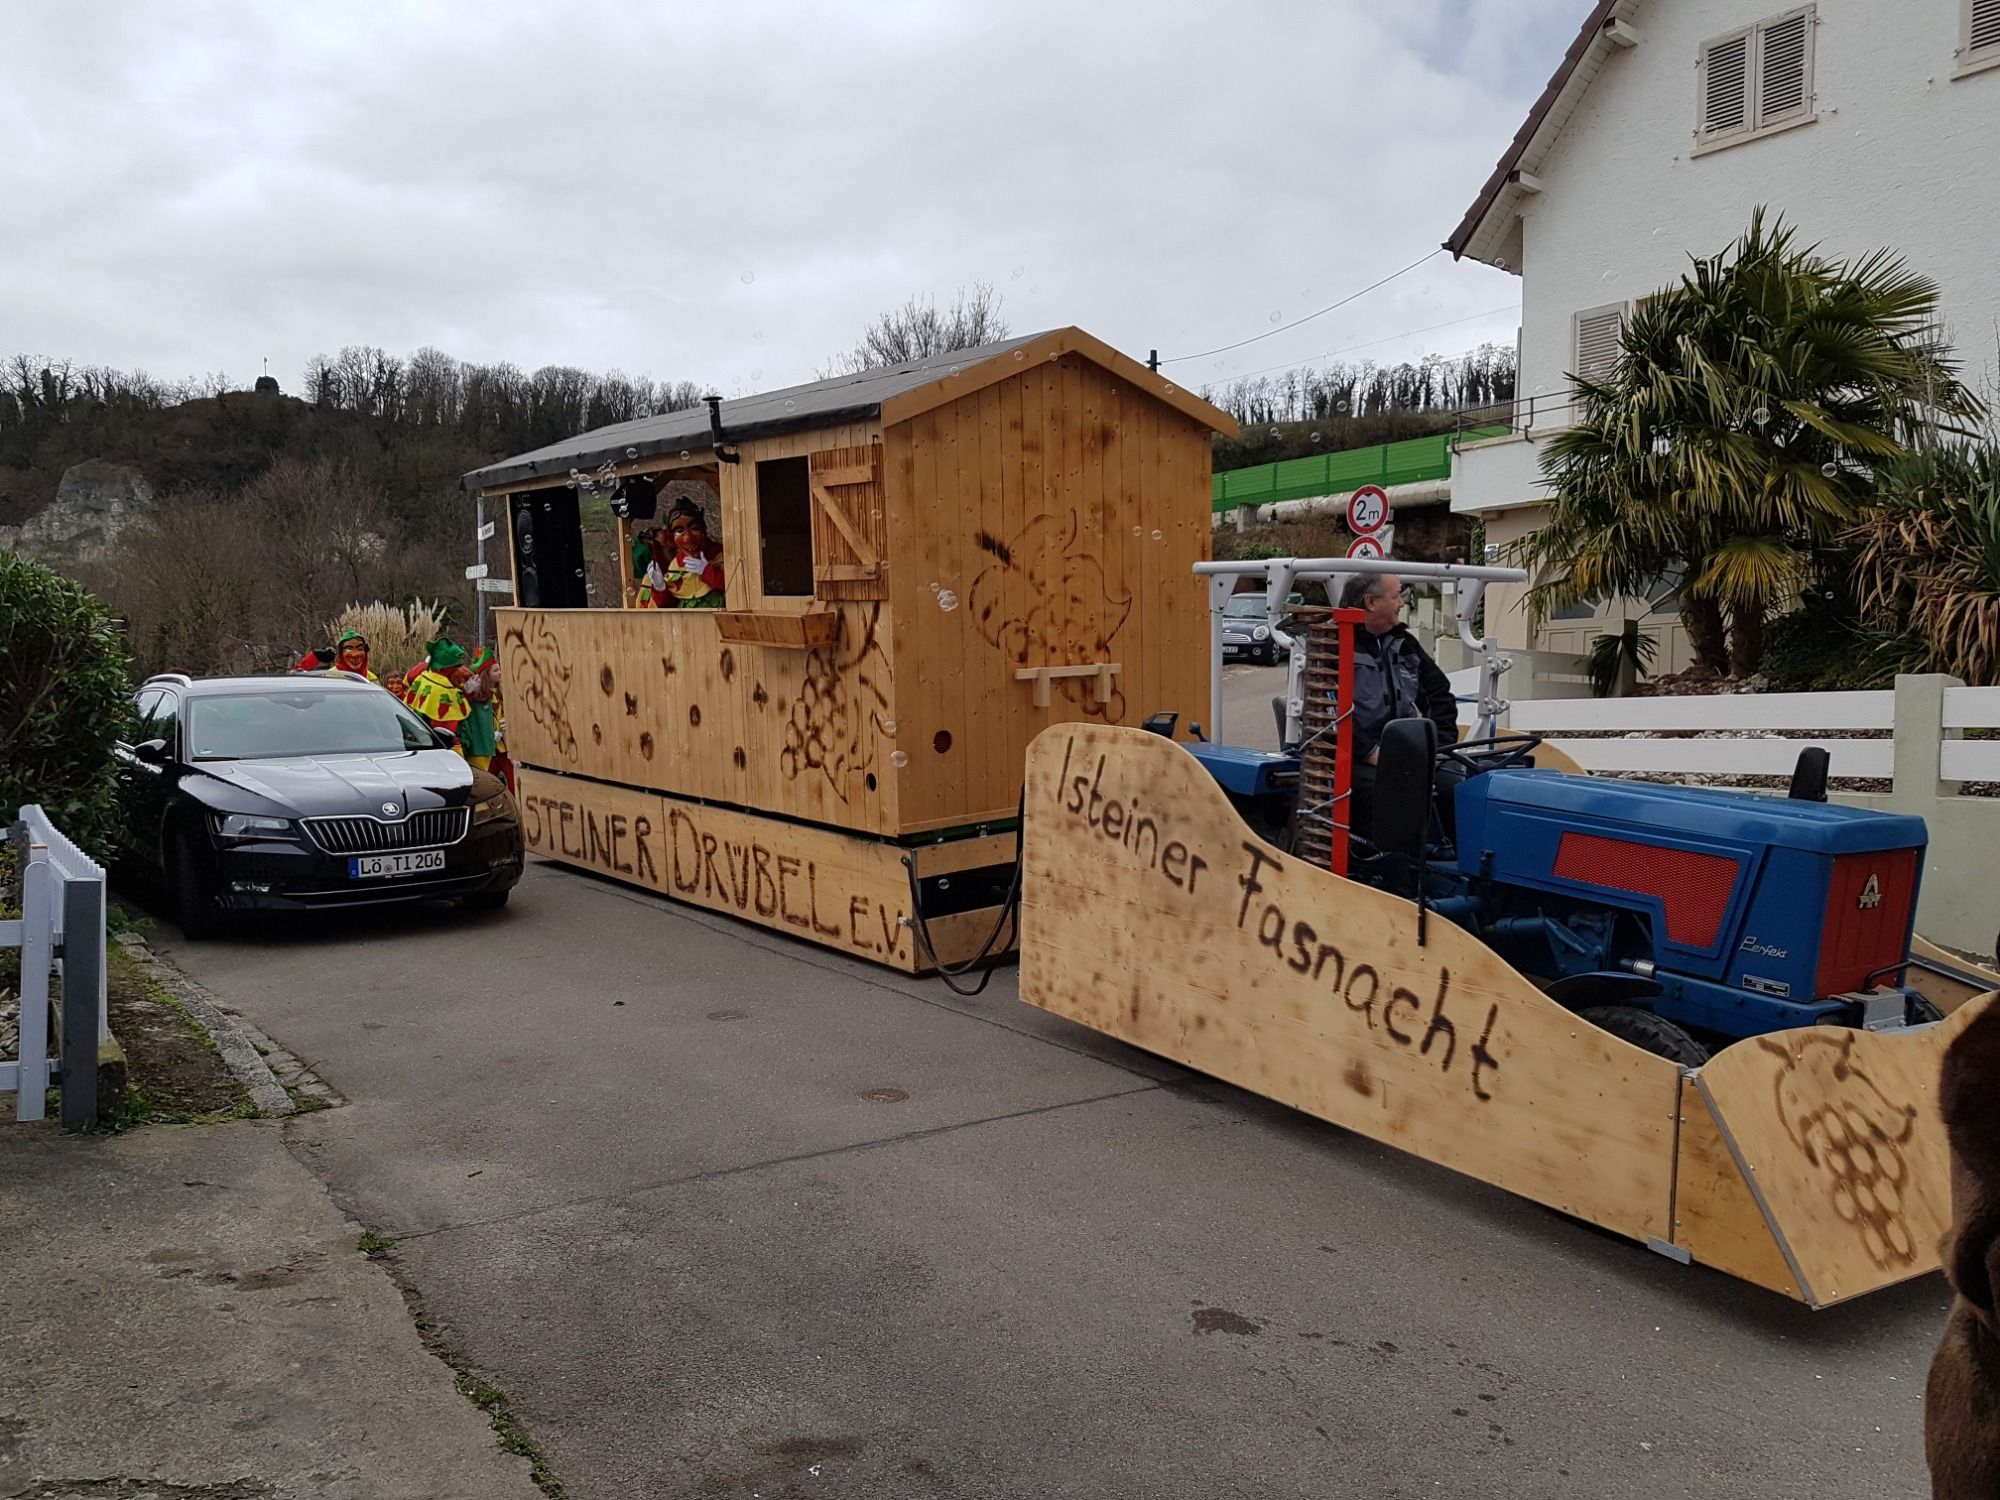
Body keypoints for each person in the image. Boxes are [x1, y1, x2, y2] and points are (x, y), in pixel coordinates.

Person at [1336, 572, 1462, 845]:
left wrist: (1439, 748)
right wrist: (1371, 752)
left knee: (1456, 786)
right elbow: (1328, 710)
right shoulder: (1334, 645)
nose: (1402, 604)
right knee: (1395, 793)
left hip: (1404, 753)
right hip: (1351, 758)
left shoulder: (1404, 644)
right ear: (1371, 602)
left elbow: (1439, 695)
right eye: (1396, 596)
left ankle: (1456, 858)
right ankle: (1391, 865)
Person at [404, 638, 472, 746]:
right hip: (439, 746)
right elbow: (447, 725)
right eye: (458, 666)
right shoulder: (443, 689)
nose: (463, 670)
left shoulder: (424, 678)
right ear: (448, 669)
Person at [658, 498, 725, 608]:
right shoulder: (676, 564)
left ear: (703, 531)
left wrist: (707, 571)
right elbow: (668, 605)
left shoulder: (721, 554)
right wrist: (660, 588)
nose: (688, 538)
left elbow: (736, 587)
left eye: (694, 528)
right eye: (680, 531)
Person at [458, 647, 500, 772]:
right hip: (478, 748)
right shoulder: (476, 697)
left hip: (488, 747)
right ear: (486, 674)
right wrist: (466, 693)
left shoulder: (493, 694)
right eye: (495, 670)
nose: (500, 673)